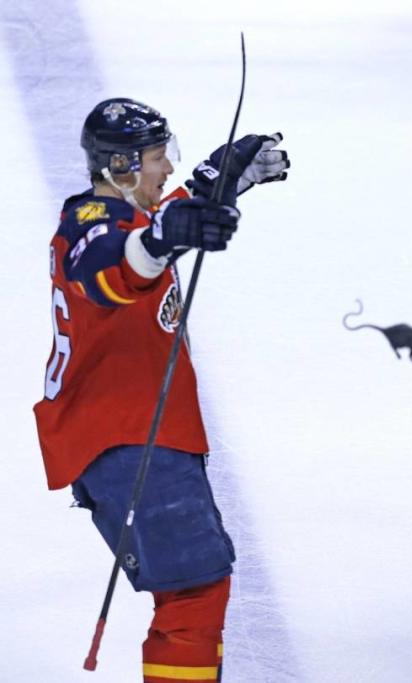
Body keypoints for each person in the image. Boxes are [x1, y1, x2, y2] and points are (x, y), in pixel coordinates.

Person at [33, 97, 289, 683]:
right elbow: (113, 271)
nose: (167, 168)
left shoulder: (120, 215)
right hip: (127, 436)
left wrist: (212, 182)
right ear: (123, 165)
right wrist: (164, 238)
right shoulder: (90, 222)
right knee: (194, 592)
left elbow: (157, 227)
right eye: (157, 157)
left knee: (196, 589)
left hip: (130, 435)